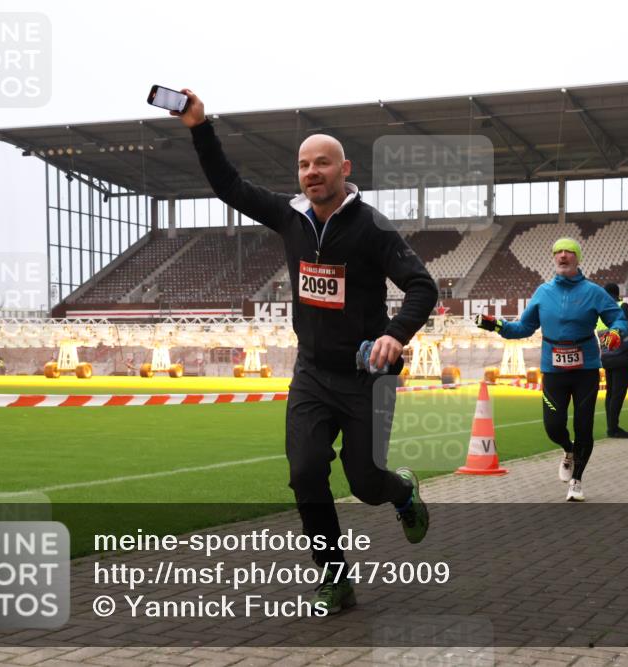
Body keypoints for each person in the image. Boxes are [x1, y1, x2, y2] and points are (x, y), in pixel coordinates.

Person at [178, 89, 438, 613]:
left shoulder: (373, 227)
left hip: (367, 375)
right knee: (304, 472)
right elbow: (228, 185)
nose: (311, 172)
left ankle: (402, 492)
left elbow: (422, 286)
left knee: (366, 484)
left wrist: (394, 334)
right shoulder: (289, 218)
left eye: (322, 163)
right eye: (303, 165)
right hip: (313, 375)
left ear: (345, 168)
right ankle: (334, 578)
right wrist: (199, 127)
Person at [477, 238, 628, 502]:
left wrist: (616, 332)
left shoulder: (593, 292)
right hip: (554, 370)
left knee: (584, 426)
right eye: (557, 252)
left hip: (586, 370)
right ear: (553, 258)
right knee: (553, 426)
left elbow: (618, 317)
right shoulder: (543, 292)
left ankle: (577, 480)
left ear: (578, 258)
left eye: (569, 252)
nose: (562, 256)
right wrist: (496, 325)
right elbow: (523, 328)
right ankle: (568, 451)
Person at [596, 282, 628, 438]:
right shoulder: (622, 306)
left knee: (610, 393)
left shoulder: (600, 313)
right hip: (622, 356)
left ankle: (611, 426)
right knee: (618, 394)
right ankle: (613, 428)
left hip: (607, 357)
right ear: (618, 294)